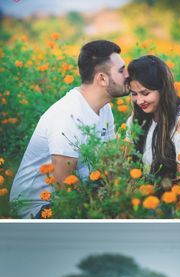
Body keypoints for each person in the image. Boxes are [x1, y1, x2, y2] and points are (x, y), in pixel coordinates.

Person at [10, 40, 129, 218]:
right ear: (102, 79)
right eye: (121, 70)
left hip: (81, 193)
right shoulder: (68, 115)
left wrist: (123, 200)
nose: (128, 75)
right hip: (38, 208)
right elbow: (65, 188)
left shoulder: (104, 109)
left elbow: (110, 167)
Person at [127, 55, 180, 180]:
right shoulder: (138, 117)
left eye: (145, 93)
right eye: (134, 94)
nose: (139, 101)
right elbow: (128, 164)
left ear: (162, 89)